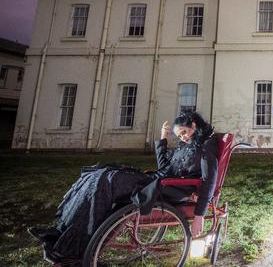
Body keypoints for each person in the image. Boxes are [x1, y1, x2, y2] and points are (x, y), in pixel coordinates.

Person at [28, 111, 218, 264]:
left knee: (106, 179)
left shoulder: (206, 145)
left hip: (169, 189)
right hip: (157, 180)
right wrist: (163, 138)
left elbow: (209, 180)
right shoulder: (185, 146)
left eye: (184, 132)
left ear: (194, 125)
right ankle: (61, 232)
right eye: (179, 136)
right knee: (96, 176)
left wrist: (199, 215)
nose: (182, 138)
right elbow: (164, 167)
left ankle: (72, 246)